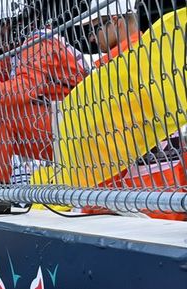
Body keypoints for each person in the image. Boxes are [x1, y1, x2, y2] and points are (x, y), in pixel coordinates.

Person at [78, 0, 187, 221]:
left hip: (133, 204)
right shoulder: (161, 54)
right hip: (173, 197)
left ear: (116, 21)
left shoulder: (112, 74)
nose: (91, 38)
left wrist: (90, 203)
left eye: (95, 28)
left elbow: (105, 152)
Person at [0, 0, 88, 185]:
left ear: (11, 23)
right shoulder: (22, 48)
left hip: (80, 124)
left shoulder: (39, 42)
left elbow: (26, 87)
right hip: (66, 121)